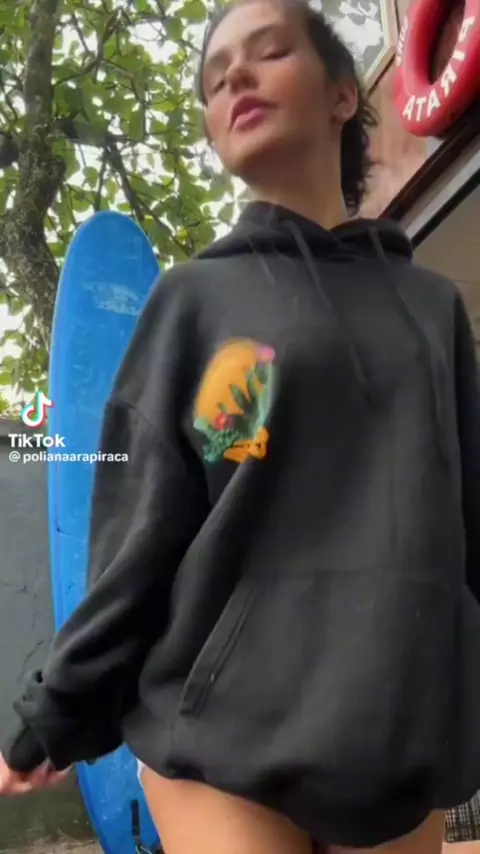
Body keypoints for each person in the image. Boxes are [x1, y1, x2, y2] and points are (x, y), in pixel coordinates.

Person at [2, 1, 480, 852]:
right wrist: (56, 709)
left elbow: (468, 521)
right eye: (216, 77)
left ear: (343, 94)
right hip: (218, 737)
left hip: (393, 740)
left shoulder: (431, 309)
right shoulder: (196, 301)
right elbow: (142, 534)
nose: (236, 79)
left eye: (268, 52)